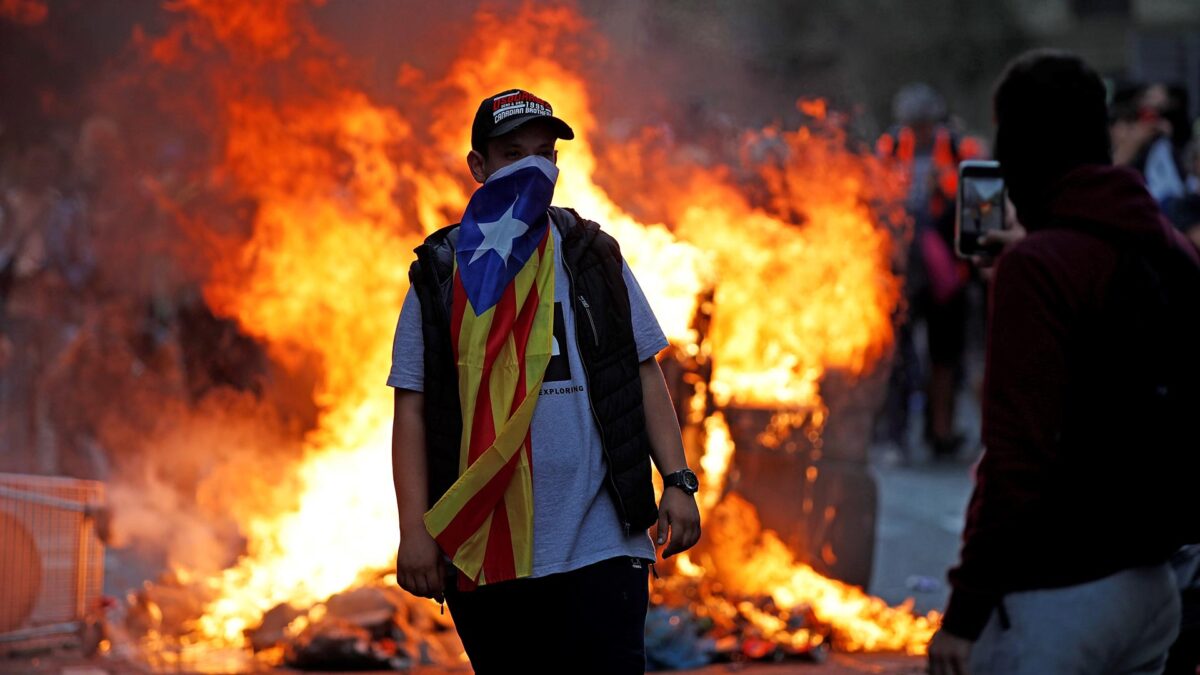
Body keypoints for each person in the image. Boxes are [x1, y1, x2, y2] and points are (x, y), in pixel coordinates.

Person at [388, 88, 701, 674]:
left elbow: (642, 369)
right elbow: (412, 409)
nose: (533, 167)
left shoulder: (591, 255)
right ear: (478, 167)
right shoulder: (441, 271)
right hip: (487, 546)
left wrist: (678, 481)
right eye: (512, 154)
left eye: (544, 153)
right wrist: (415, 533)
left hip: (604, 542)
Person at [929, 50, 1200, 674]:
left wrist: (964, 614)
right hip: (1154, 586)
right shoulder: (1168, 248)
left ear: (1019, 139)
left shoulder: (1041, 269)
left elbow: (1017, 458)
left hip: (1058, 595)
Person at [876, 83, 984, 461]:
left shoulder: (960, 149)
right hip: (902, 269)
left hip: (949, 272)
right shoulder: (888, 148)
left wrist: (948, 190)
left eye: (923, 124)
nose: (917, 131)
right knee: (899, 359)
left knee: (945, 358)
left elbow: (980, 204)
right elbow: (872, 198)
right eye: (912, 124)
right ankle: (896, 436)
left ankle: (941, 434)